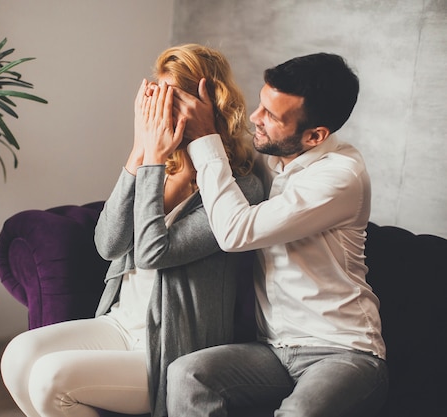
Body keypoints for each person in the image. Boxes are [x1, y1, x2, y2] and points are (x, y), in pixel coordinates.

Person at [0, 44, 263, 417]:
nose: (158, 112)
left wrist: (153, 161)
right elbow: (108, 244)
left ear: (207, 103)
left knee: (50, 378)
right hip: (119, 324)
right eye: (156, 98)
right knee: (18, 356)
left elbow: (153, 252)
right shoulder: (163, 166)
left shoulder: (239, 186)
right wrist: (139, 152)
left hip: (171, 347)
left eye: (171, 100)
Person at [147, 53, 389, 417]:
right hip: (274, 350)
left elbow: (235, 231)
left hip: (343, 351)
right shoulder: (272, 161)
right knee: (186, 374)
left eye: (272, 117)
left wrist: (206, 136)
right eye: (261, 104)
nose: (255, 119)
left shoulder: (340, 177)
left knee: (298, 414)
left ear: (315, 136)